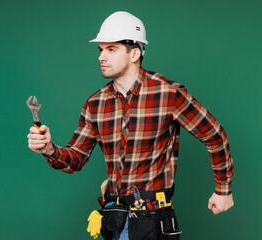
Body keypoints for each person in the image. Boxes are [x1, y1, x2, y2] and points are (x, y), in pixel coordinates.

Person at [27, 11, 234, 240]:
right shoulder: (95, 104)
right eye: (101, 50)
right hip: (114, 219)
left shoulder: (167, 93)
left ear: (134, 53)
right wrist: (48, 148)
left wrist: (222, 190)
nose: (101, 57)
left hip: (153, 220)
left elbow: (214, 135)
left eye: (111, 49)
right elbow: (75, 159)